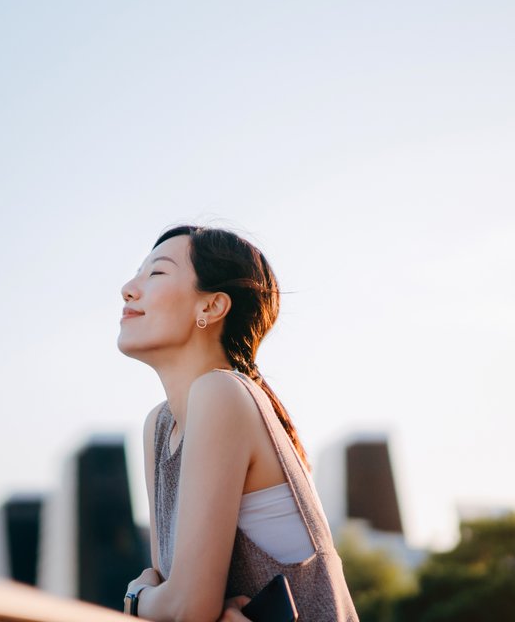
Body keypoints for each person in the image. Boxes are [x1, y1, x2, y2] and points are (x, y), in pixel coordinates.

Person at [118, 225, 359, 622]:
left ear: (211, 307)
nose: (129, 288)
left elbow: (185, 607)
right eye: (137, 272)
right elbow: (175, 600)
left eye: (156, 273)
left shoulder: (222, 393)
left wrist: (134, 596)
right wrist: (161, 599)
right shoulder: (160, 428)